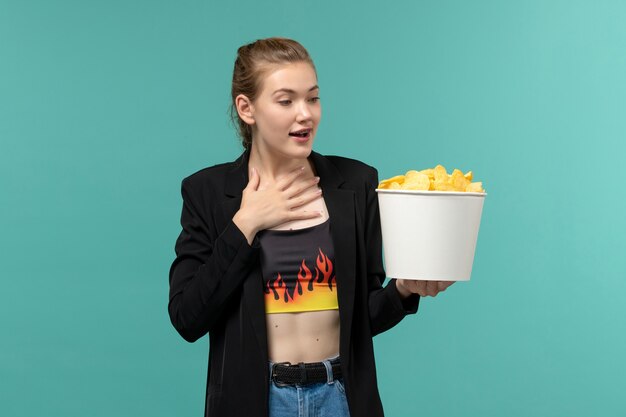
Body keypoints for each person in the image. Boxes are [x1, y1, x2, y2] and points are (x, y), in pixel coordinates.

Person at [168, 37, 454, 417]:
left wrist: (402, 291)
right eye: (286, 101)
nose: (305, 114)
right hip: (257, 401)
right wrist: (247, 223)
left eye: (313, 98)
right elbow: (188, 317)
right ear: (246, 108)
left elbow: (363, 318)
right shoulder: (206, 192)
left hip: (341, 397)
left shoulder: (356, 183)